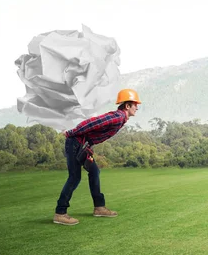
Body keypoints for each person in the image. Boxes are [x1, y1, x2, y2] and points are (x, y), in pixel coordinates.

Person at [53, 88, 142, 226]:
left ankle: (99, 207)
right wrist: (71, 132)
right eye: (135, 104)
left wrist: (88, 146)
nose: (137, 107)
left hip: (82, 145)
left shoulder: (121, 118)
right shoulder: (117, 117)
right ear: (127, 105)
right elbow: (92, 123)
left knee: (94, 171)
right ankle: (60, 213)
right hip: (75, 142)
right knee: (74, 177)